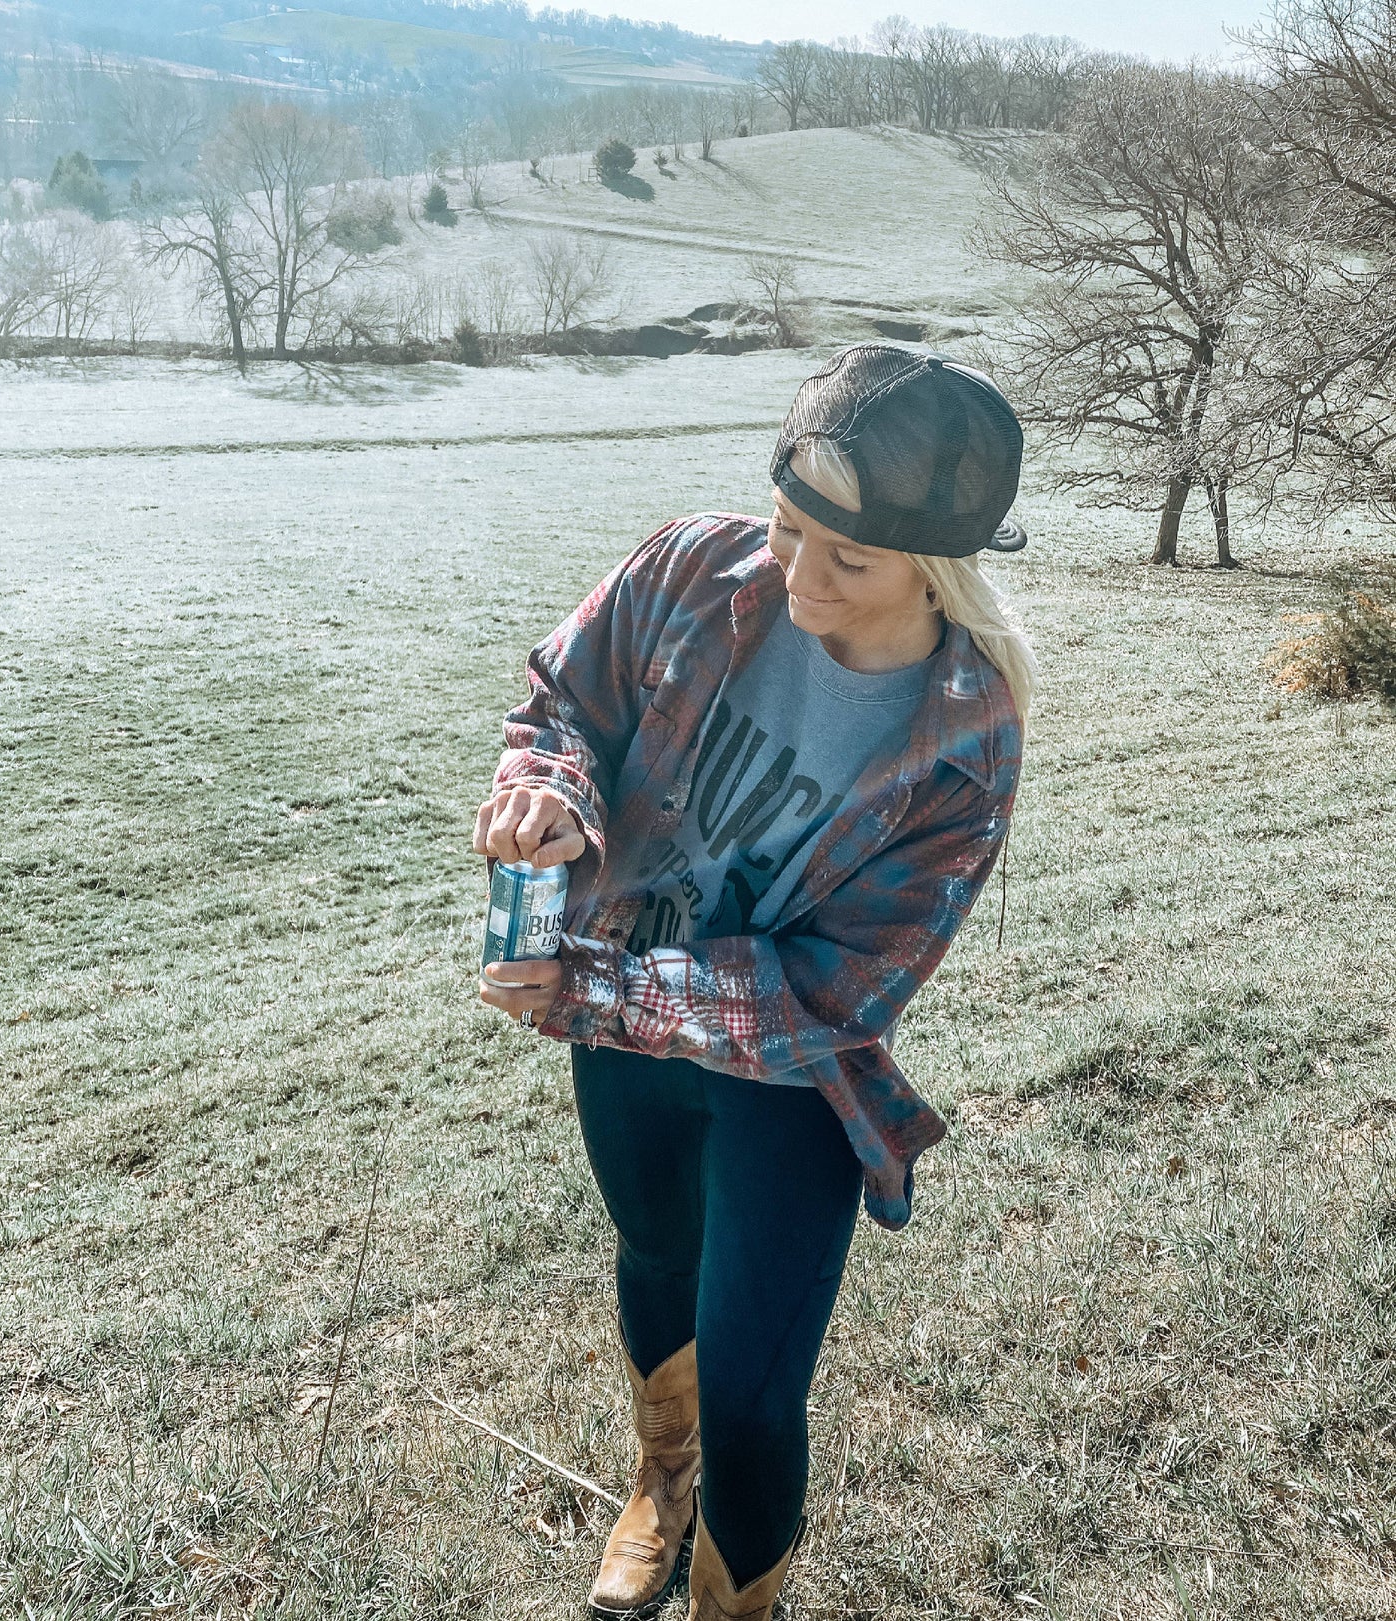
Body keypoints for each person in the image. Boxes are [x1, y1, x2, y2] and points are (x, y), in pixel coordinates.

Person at [474, 345, 1034, 1620]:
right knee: (653, 1251)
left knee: (750, 1378)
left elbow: (840, 990)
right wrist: (546, 798)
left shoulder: (963, 734)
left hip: (785, 1076)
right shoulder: (692, 566)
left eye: (851, 559)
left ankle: (737, 1601)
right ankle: (659, 1489)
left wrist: (590, 988)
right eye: (789, 531)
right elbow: (561, 699)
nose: (801, 578)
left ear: (938, 568)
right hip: (618, 1031)